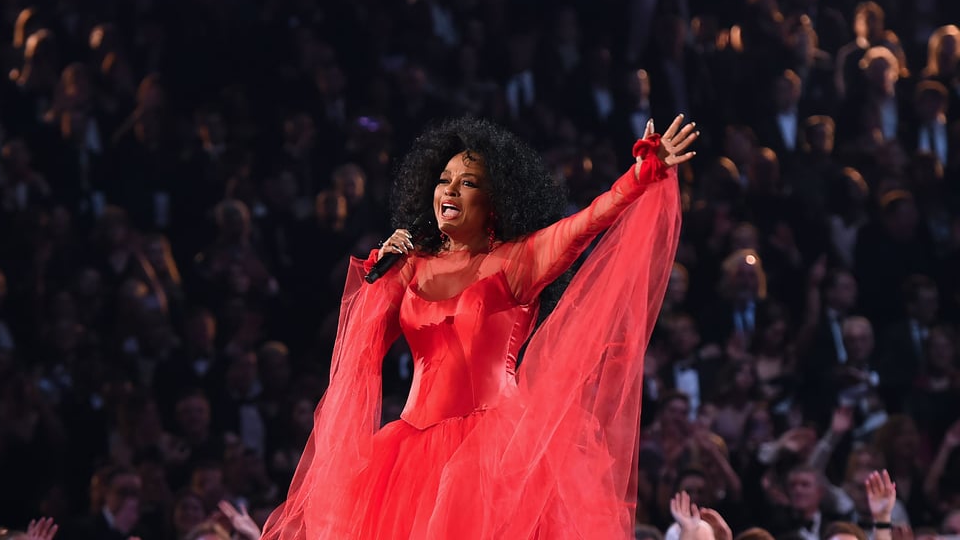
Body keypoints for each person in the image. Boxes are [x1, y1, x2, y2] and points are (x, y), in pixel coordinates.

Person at [261, 114, 697, 539]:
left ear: (496, 201)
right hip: (408, 456)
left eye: (467, 183)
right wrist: (379, 281)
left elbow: (586, 223)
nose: (449, 189)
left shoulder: (518, 261)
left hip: (495, 454)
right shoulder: (410, 265)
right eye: (444, 179)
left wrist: (638, 177)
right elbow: (358, 357)